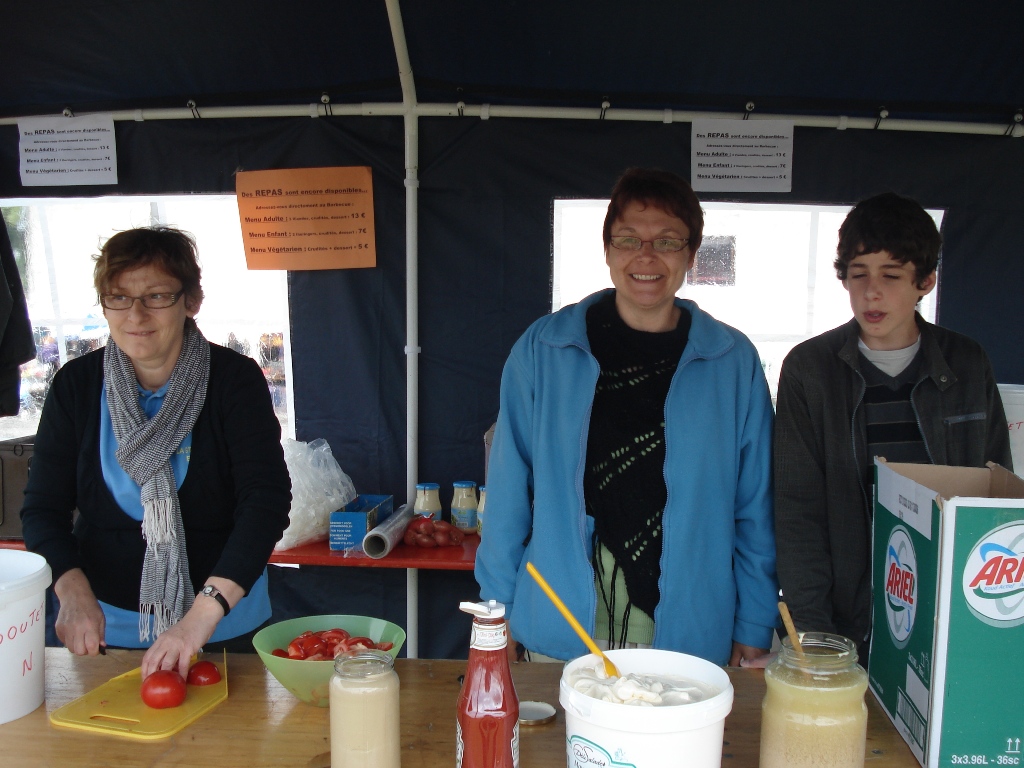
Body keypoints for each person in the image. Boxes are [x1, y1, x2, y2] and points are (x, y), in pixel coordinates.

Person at [475, 168, 778, 667]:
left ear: (691, 255)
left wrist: (754, 622)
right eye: (629, 240)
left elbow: (754, 510)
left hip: (689, 636)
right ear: (608, 251)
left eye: (667, 241)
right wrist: (496, 608)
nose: (646, 255)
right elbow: (509, 492)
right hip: (561, 628)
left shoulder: (731, 361)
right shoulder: (544, 350)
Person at [21, 226, 292, 679]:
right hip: (102, 632)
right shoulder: (77, 385)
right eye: (118, 297)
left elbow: (264, 504)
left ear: (191, 302)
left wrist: (199, 619)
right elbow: (42, 509)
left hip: (222, 626)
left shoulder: (234, 381)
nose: (136, 314)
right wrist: (71, 590)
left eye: (157, 296)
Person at [774, 192, 1012, 662]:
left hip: (947, 616)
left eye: (891, 275)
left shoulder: (967, 362)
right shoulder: (810, 369)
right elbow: (797, 512)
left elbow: (994, 497)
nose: (871, 293)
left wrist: (979, 619)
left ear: (925, 281)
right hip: (848, 619)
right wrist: (815, 635)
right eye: (858, 274)